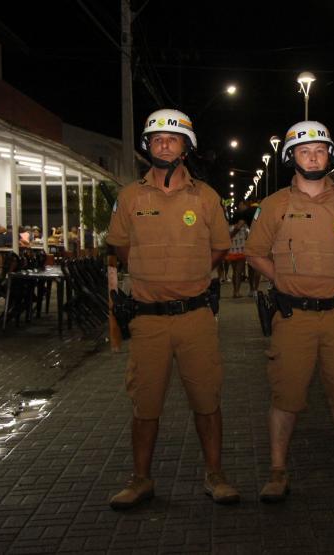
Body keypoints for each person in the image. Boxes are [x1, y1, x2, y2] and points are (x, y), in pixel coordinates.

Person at [245, 120, 334, 502]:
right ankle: (277, 472)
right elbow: (254, 254)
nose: (312, 157)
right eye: (304, 151)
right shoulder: (274, 205)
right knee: (286, 396)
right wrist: (283, 280)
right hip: (293, 319)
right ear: (291, 157)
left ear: (330, 155)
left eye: (320, 151)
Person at [106, 108, 239, 509]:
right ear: (148, 146)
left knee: (206, 400)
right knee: (145, 404)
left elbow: (219, 248)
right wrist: (151, 274)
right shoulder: (130, 197)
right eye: (157, 139)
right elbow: (121, 248)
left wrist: (188, 276)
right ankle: (140, 479)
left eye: (172, 138)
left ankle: (215, 475)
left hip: (196, 317)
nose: (164, 145)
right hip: (147, 319)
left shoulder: (206, 197)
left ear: (186, 146)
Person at [227, 219, 249, 298]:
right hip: (240, 249)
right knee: (238, 272)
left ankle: (235, 291)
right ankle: (237, 291)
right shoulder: (242, 223)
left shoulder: (229, 225)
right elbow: (246, 234)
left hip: (232, 249)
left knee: (235, 271)